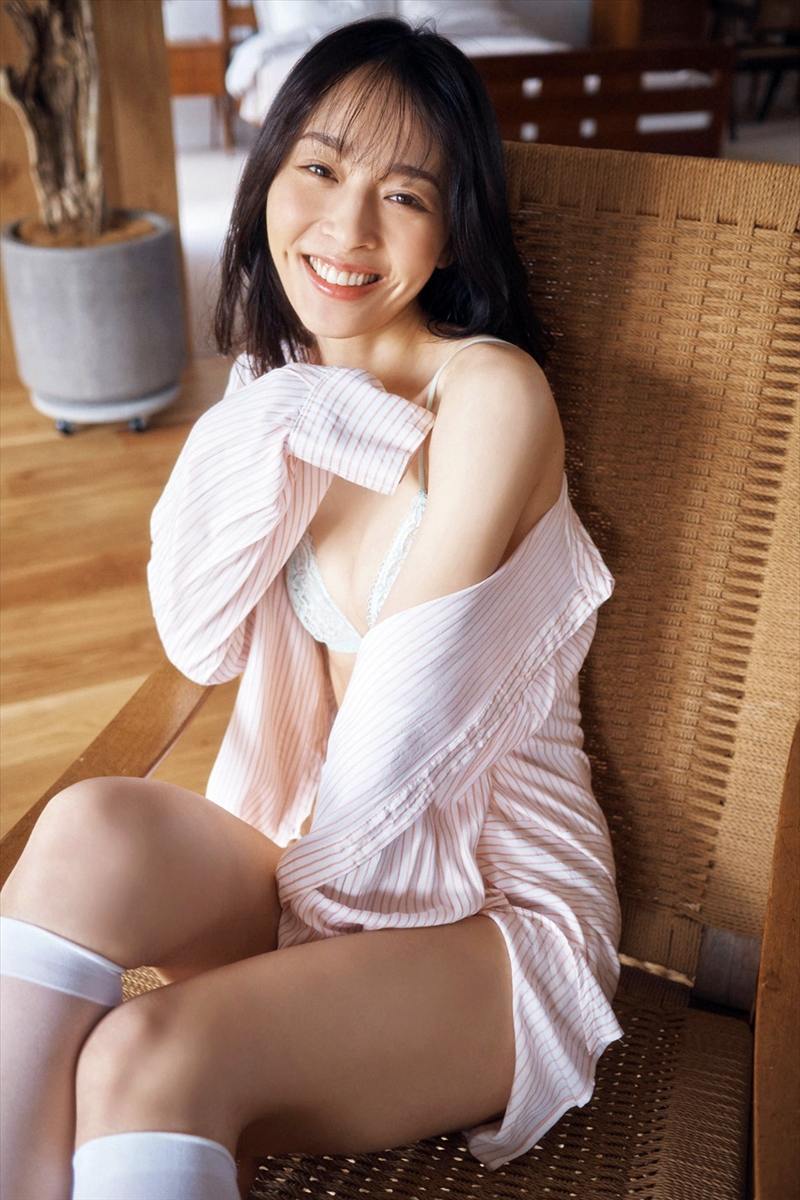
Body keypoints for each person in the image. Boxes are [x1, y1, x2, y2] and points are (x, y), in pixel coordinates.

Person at [0, 16, 622, 1200]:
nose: (347, 229)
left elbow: (401, 739)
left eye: (404, 195)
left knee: (144, 1055)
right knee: (84, 830)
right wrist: (283, 406)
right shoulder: (283, 387)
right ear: (268, 175)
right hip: (317, 866)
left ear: (450, 231)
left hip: (490, 919)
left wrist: (277, 943)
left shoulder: (490, 396)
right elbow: (196, 635)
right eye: (321, 170)